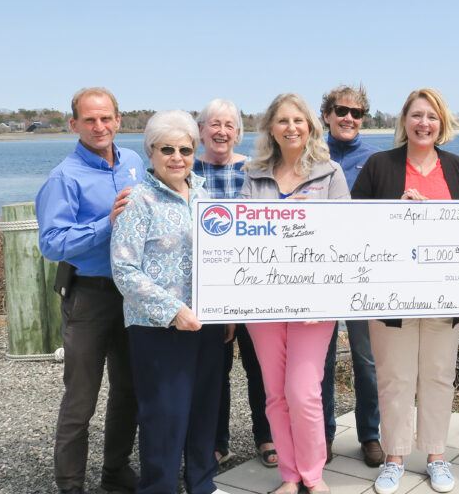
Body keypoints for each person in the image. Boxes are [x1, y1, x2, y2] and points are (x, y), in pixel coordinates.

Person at [351, 88, 459, 494]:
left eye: (432, 117)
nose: (424, 123)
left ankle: (436, 455)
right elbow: (356, 227)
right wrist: (398, 211)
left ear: (442, 124)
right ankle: (394, 457)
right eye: (417, 115)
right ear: (404, 120)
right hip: (391, 295)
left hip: (444, 294)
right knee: (394, 376)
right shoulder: (379, 166)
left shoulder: (458, 169)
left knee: (439, 376)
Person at [110, 109, 232, 494]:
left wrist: (227, 312)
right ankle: (158, 488)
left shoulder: (204, 194)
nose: (177, 157)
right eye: (167, 149)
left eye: (185, 149)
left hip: (207, 324)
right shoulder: (138, 201)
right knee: (164, 416)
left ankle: (202, 484)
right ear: (151, 152)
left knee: (203, 410)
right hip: (158, 328)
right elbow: (125, 271)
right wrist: (174, 311)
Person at [239, 92, 349, 494]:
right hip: (263, 304)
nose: (291, 128)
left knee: (303, 393)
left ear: (310, 127)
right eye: (283, 121)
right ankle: (289, 476)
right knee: (274, 395)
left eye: (298, 121)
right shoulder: (253, 173)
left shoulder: (330, 173)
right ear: (271, 128)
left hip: (315, 306)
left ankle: (313, 475)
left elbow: (347, 234)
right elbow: (242, 234)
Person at [36, 86, 141, 494]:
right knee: (81, 400)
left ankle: (115, 473)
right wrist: (106, 224)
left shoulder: (133, 161)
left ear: (118, 120)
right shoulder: (63, 178)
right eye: (90, 120)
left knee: (128, 391)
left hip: (131, 294)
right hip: (88, 296)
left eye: (106, 118)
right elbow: (52, 244)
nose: (99, 127)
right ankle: (71, 486)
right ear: (74, 124)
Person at [193, 99, 278, 470]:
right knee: (215, 369)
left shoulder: (255, 169)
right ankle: (217, 442)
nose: (221, 131)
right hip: (207, 287)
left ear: (239, 133)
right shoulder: (187, 169)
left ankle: (267, 436)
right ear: (201, 131)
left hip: (253, 285)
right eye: (214, 124)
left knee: (261, 367)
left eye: (229, 125)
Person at [318, 84, 384, 467]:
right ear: (326, 114)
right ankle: (322, 435)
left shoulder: (376, 159)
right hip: (317, 274)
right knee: (319, 361)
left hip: (362, 274)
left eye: (356, 113)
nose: (348, 118)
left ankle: (370, 434)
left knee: (367, 360)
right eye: (341, 110)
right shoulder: (310, 153)